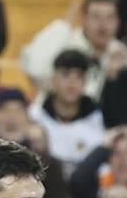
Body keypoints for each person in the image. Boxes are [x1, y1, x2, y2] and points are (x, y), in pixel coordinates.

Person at [20, 0, 127, 102]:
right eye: (96, 17)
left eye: (109, 18)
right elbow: (36, 72)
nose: (103, 25)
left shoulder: (124, 56)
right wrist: (61, 28)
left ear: (118, 22)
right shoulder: (64, 44)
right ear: (84, 19)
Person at [30, 49, 105, 178]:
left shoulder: (98, 118)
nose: (72, 83)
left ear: (85, 83)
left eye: (79, 76)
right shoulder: (35, 115)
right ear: (53, 79)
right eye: (65, 75)